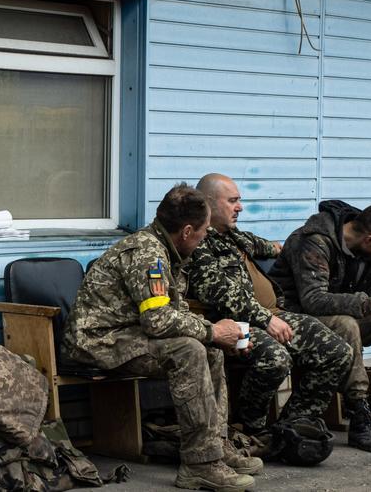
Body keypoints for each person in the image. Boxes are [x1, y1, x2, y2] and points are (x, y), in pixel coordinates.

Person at [61, 184, 260, 492]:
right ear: (187, 230)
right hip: (98, 342)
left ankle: (215, 447)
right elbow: (158, 321)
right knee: (190, 351)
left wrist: (218, 335)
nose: (206, 236)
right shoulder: (148, 255)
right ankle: (199, 466)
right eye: (204, 231)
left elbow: (171, 313)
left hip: (127, 335)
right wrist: (212, 330)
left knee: (210, 350)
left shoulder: (166, 249)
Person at [186, 174, 352, 457]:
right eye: (233, 201)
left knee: (338, 352)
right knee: (275, 359)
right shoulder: (199, 244)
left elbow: (270, 246)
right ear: (209, 205)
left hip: (273, 315)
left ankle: (292, 423)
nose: (240, 207)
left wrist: (283, 248)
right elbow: (221, 294)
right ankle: (251, 429)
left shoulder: (236, 237)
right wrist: (266, 319)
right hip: (235, 324)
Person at [267, 200, 371, 453]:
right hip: (295, 316)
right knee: (347, 325)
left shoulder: (363, 249)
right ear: (369, 240)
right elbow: (313, 300)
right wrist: (369, 305)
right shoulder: (315, 241)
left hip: (338, 312)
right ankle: (360, 418)